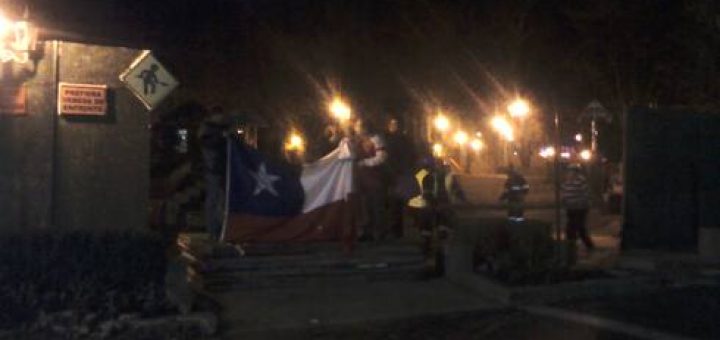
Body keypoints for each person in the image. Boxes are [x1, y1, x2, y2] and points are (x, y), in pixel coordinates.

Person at [354, 118, 389, 241]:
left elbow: (382, 157)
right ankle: (366, 231)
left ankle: (379, 232)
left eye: (359, 126)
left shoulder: (376, 139)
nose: (357, 129)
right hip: (362, 179)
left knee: (375, 205)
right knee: (364, 205)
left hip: (374, 178)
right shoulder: (358, 141)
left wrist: (365, 163)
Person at [198, 106, 230, 241]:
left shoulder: (215, 129)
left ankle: (218, 229)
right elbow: (210, 145)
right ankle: (214, 230)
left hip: (219, 171)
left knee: (219, 202)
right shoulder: (208, 130)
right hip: (213, 171)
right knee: (214, 202)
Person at [383, 117, 417, 238]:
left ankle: (396, 229)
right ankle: (399, 229)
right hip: (402, 173)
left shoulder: (392, 140)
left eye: (393, 125)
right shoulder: (406, 140)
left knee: (395, 202)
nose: (391, 127)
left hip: (397, 174)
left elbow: (389, 158)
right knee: (400, 202)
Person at [561, 164, 595, 250]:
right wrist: (565, 201)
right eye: (569, 171)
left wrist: (582, 203)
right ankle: (571, 245)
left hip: (580, 208)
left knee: (579, 227)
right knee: (571, 227)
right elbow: (564, 193)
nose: (570, 173)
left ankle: (588, 245)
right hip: (571, 208)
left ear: (576, 172)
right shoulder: (567, 181)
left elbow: (586, 194)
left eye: (572, 171)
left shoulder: (581, 181)